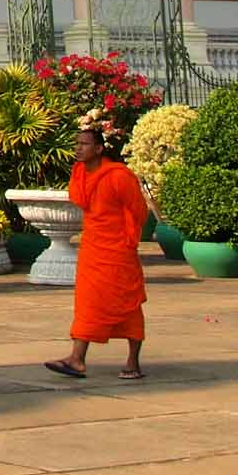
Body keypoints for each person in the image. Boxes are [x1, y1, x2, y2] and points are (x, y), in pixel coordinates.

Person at [45, 117, 148, 381]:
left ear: (99, 149)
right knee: (88, 303)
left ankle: (133, 362)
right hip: (93, 247)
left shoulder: (118, 176)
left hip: (118, 249)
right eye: (77, 144)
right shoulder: (80, 173)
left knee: (128, 304)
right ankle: (77, 359)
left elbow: (138, 210)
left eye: (85, 144)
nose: (79, 148)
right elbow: (80, 198)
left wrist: (128, 240)